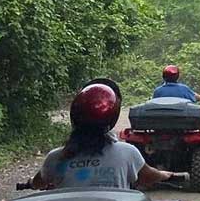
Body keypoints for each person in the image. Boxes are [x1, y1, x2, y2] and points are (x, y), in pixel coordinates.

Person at [30, 81, 188, 191]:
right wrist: (165, 175)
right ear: (112, 118)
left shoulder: (55, 157)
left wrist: (30, 183)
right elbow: (147, 177)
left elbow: (38, 182)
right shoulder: (127, 152)